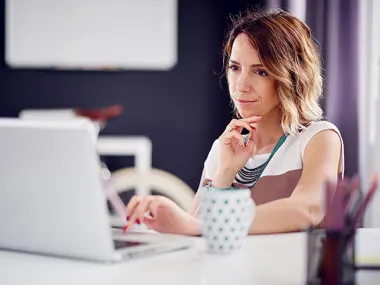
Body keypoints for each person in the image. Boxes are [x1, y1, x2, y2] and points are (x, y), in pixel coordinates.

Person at [124, 9, 344, 235]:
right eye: (235, 68)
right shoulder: (225, 147)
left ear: (291, 76)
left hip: (291, 270)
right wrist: (226, 170)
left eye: (260, 72)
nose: (240, 85)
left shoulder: (319, 137)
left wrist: (205, 224)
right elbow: (197, 233)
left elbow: (307, 209)